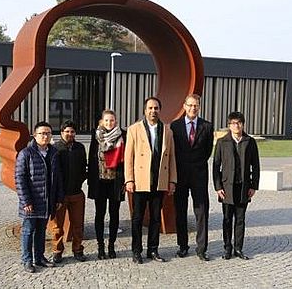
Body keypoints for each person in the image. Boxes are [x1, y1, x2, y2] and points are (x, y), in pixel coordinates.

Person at [124, 96, 177, 264]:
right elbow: (129, 156)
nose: (153, 111)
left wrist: (172, 180)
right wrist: (129, 179)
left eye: (156, 108)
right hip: (140, 181)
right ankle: (136, 251)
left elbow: (172, 158)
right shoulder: (134, 129)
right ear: (145, 110)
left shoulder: (167, 130)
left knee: (155, 218)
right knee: (138, 218)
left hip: (159, 180)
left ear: (160, 110)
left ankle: (153, 250)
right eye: (150, 108)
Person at [15, 121, 64, 273]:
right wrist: (26, 201)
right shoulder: (26, 153)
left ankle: (40, 257)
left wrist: (58, 198)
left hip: (47, 200)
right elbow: (19, 178)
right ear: (35, 135)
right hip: (31, 201)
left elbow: (58, 178)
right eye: (42, 133)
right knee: (28, 231)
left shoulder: (54, 153)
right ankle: (27, 260)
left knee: (41, 231)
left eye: (48, 133)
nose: (45, 136)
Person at [170, 94, 214, 261]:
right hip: (180, 175)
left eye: (195, 105)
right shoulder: (175, 126)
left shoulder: (207, 126)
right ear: (184, 106)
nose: (192, 108)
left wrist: (197, 165)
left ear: (199, 107)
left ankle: (202, 248)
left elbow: (208, 150)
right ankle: (183, 246)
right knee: (180, 212)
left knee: (201, 212)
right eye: (190, 105)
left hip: (199, 175)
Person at [213, 111, 260, 260]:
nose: (236, 125)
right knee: (227, 219)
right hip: (227, 187)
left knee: (240, 219)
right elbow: (216, 166)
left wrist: (254, 186)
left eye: (239, 123)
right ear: (229, 125)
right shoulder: (222, 142)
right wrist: (218, 186)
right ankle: (227, 248)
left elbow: (256, 166)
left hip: (243, 187)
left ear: (243, 124)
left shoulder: (250, 141)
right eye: (233, 123)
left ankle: (238, 248)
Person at [88, 110, 126, 260]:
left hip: (116, 181)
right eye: (107, 121)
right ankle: (100, 246)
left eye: (112, 120)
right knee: (99, 214)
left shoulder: (123, 135)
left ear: (116, 121)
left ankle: (111, 245)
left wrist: (126, 180)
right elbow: (92, 158)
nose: (109, 123)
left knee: (114, 214)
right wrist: (90, 180)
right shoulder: (96, 136)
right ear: (102, 122)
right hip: (100, 182)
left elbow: (126, 159)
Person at [49, 120, 87, 263]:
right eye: (67, 131)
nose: (70, 134)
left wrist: (79, 181)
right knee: (57, 226)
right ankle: (57, 251)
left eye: (72, 131)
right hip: (60, 195)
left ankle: (78, 250)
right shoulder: (55, 148)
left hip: (77, 193)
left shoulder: (80, 147)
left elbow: (84, 167)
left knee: (78, 225)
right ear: (62, 133)